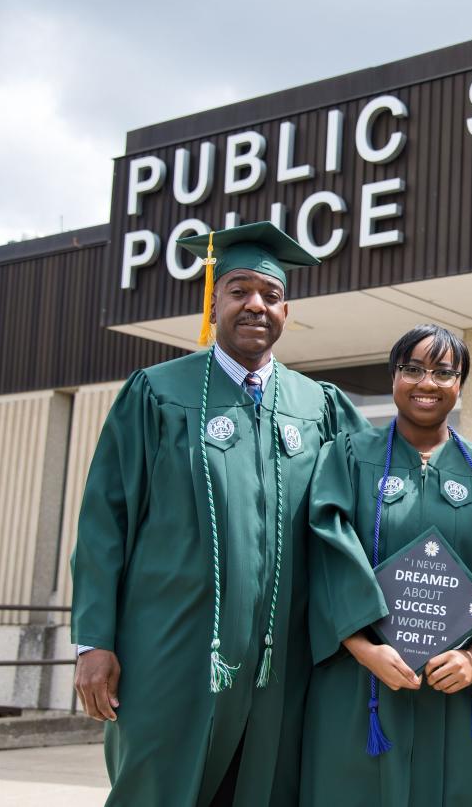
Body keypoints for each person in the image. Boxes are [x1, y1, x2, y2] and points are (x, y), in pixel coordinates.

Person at [69, 222, 370, 806]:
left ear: (288, 311)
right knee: (159, 785)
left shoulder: (320, 406)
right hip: (171, 650)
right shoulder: (156, 393)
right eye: (239, 290)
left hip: (281, 663)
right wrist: (92, 642)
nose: (256, 304)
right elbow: (104, 523)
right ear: (214, 302)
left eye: (271, 294)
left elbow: (384, 486)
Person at [302, 324, 472, 807]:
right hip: (361, 687)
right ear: (393, 377)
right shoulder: (345, 458)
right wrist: (363, 648)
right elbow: (323, 555)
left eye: (444, 372)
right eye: (412, 369)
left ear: (460, 383)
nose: (427, 383)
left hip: (463, 693)